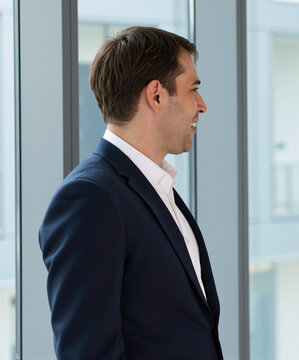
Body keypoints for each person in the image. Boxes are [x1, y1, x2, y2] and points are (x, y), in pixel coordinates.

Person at [39, 26, 223, 359]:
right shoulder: (88, 199)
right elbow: (88, 352)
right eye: (193, 89)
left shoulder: (156, 187)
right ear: (156, 95)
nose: (202, 105)